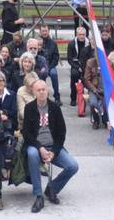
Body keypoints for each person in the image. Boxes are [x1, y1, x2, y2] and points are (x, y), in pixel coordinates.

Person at [20, 77, 76, 211]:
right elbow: (27, 133)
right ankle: (38, 195)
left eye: (43, 89)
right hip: (36, 146)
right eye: (38, 90)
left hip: (53, 147)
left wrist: (54, 152)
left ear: (48, 91)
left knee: (73, 166)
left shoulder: (55, 108)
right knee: (32, 155)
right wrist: (40, 148)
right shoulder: (29, 108)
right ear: (34, 92)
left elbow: (62, 132)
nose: (41, 92)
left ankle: (52, 188)